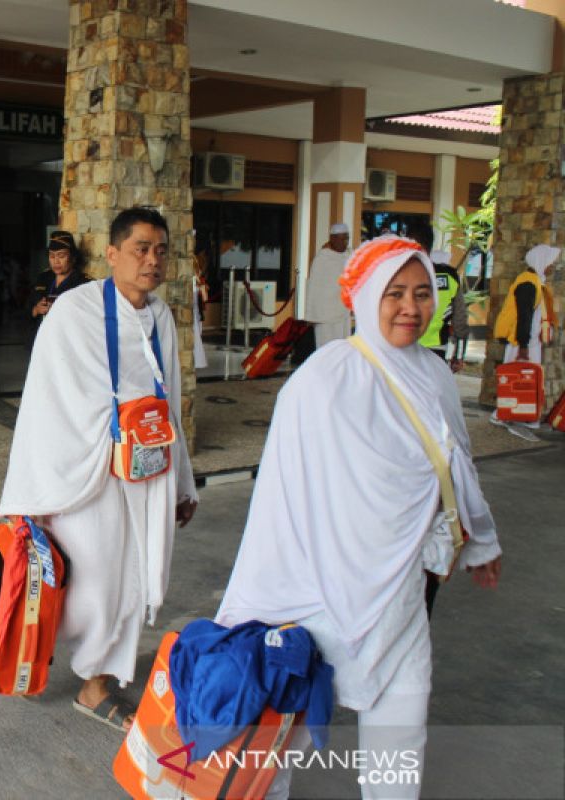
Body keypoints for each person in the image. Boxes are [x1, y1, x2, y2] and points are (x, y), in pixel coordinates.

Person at [215, 236, 502, 799]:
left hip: (401, 584)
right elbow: (284, 496)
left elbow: (457, 465)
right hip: (316, 588)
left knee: (402, 716)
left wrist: (483, 543)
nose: (411, 308)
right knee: (284, 723)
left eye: (422, 294)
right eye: (394, 293)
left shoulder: (436, 373)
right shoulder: (322, 380)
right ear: (367, 296)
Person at [0, 207, 199, 732]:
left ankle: (99, 679)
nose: (152, 260)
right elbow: (49, 402)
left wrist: (181, 481)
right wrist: (43, 487)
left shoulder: (161, 317)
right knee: (96, 581)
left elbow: (169, 402)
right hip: (89, 478)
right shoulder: (73, 312)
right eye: (140, 249)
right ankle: (84, 677)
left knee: (134, 577)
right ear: (112, 254)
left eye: (160, 250)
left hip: (148, 471)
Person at [490, 243, 558, 439]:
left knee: (526, 380)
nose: (552, 266)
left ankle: (522, 415)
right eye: (549, 262)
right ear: (540, 262)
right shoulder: (527, 283)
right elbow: (524, 316)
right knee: (515, 378)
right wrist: (523, 346)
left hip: (528, 342)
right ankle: (502, 414)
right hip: (522, 342)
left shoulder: (536, 282)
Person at [406, 219, 469, 370]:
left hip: (405, 348)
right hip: (437, 349)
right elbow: (460, 318)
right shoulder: (449, 276)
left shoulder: (402, 273)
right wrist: (459, 355)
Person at [305, 222, 353, 348]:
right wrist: (310, 313)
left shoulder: (348, 256)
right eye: (342, 238)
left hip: (343, 313)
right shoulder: (322, 259)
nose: (345, 242)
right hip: (324, 315)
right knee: (326, 349)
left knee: (342, 348)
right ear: (332, 238)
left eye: (347, 238)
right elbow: (314, 288)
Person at [30, 231, 90, 329]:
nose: (56, 261)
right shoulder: (43, 278)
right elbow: (27, 311)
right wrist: (36, 309)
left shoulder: (83, 283)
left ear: (73, 258)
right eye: (52, 256)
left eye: (61, 256)